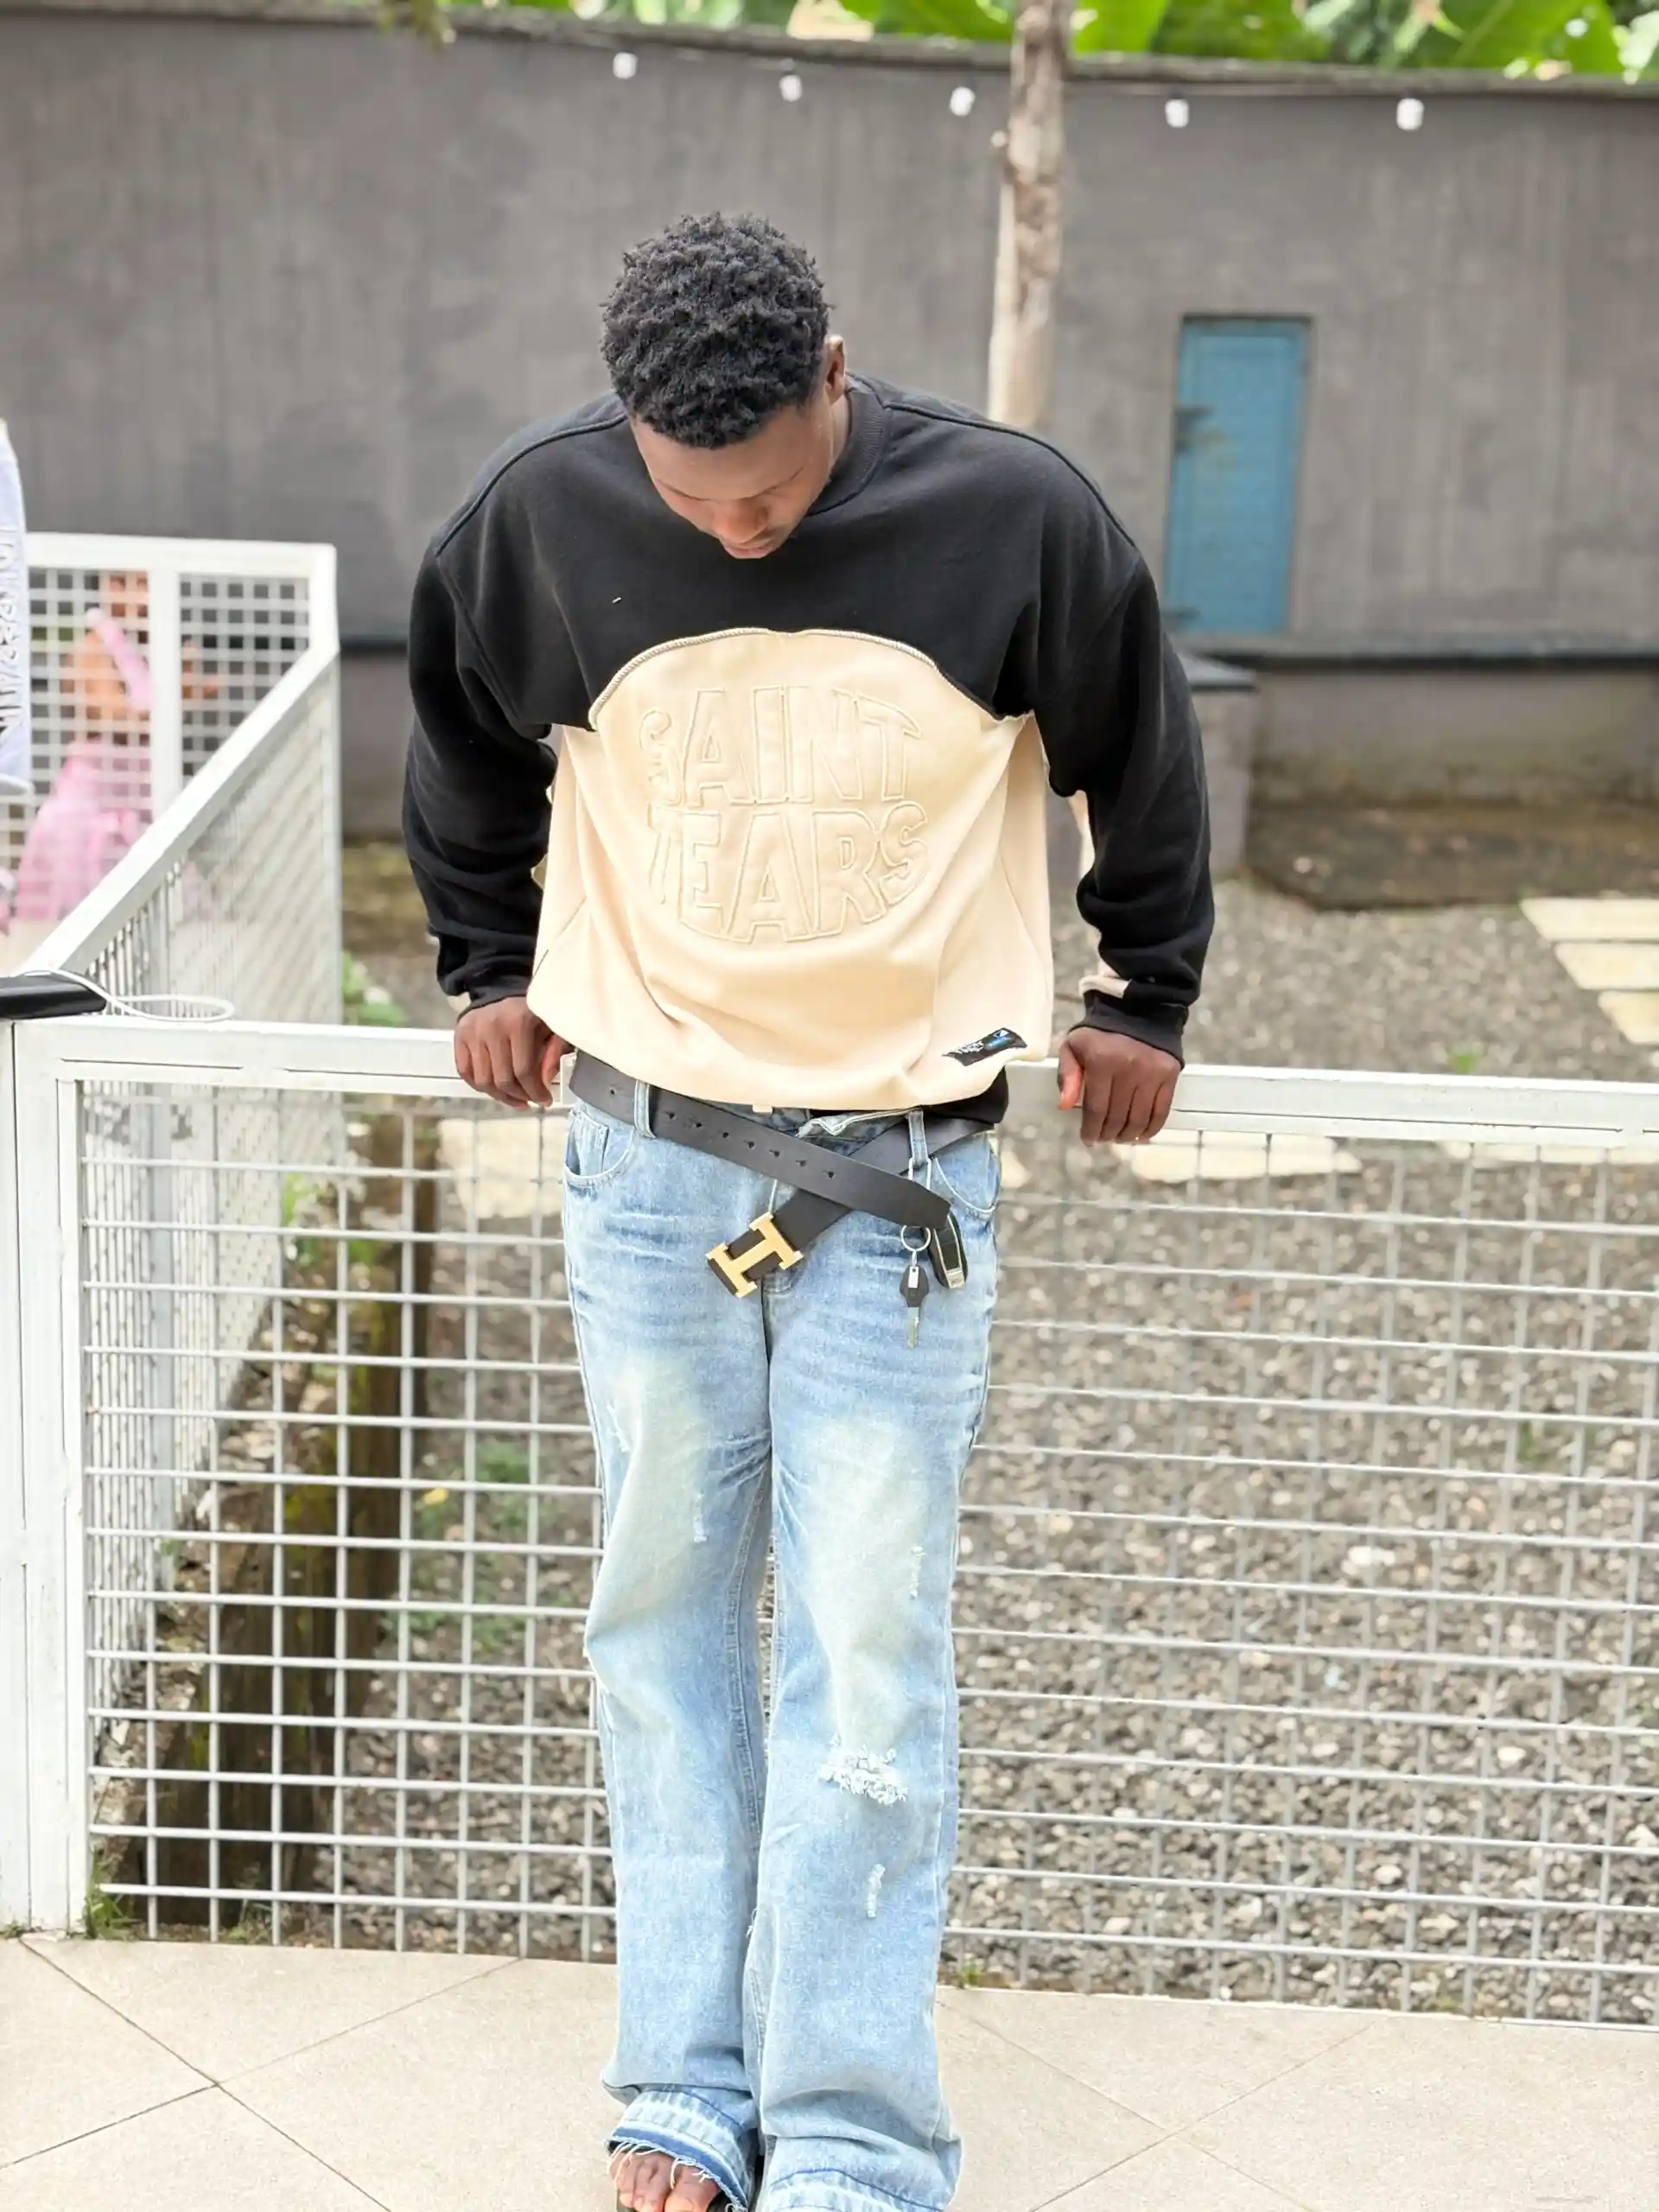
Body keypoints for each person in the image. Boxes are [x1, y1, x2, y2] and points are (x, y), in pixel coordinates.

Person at [404, 212, 1211, 2212]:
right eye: (694, 501)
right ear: (630, 432)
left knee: (864, 1644)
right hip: (643, 1161)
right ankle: (683, 2082)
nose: (736, 530)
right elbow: (461, 743)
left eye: (766, 492)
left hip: (898, 1179)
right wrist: (484, 963)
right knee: (661, 1628)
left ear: (836, 377)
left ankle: (855, 2124)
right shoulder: (539, 519)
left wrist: (1144, 996)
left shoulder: (1014, 519)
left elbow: (1143, 748)